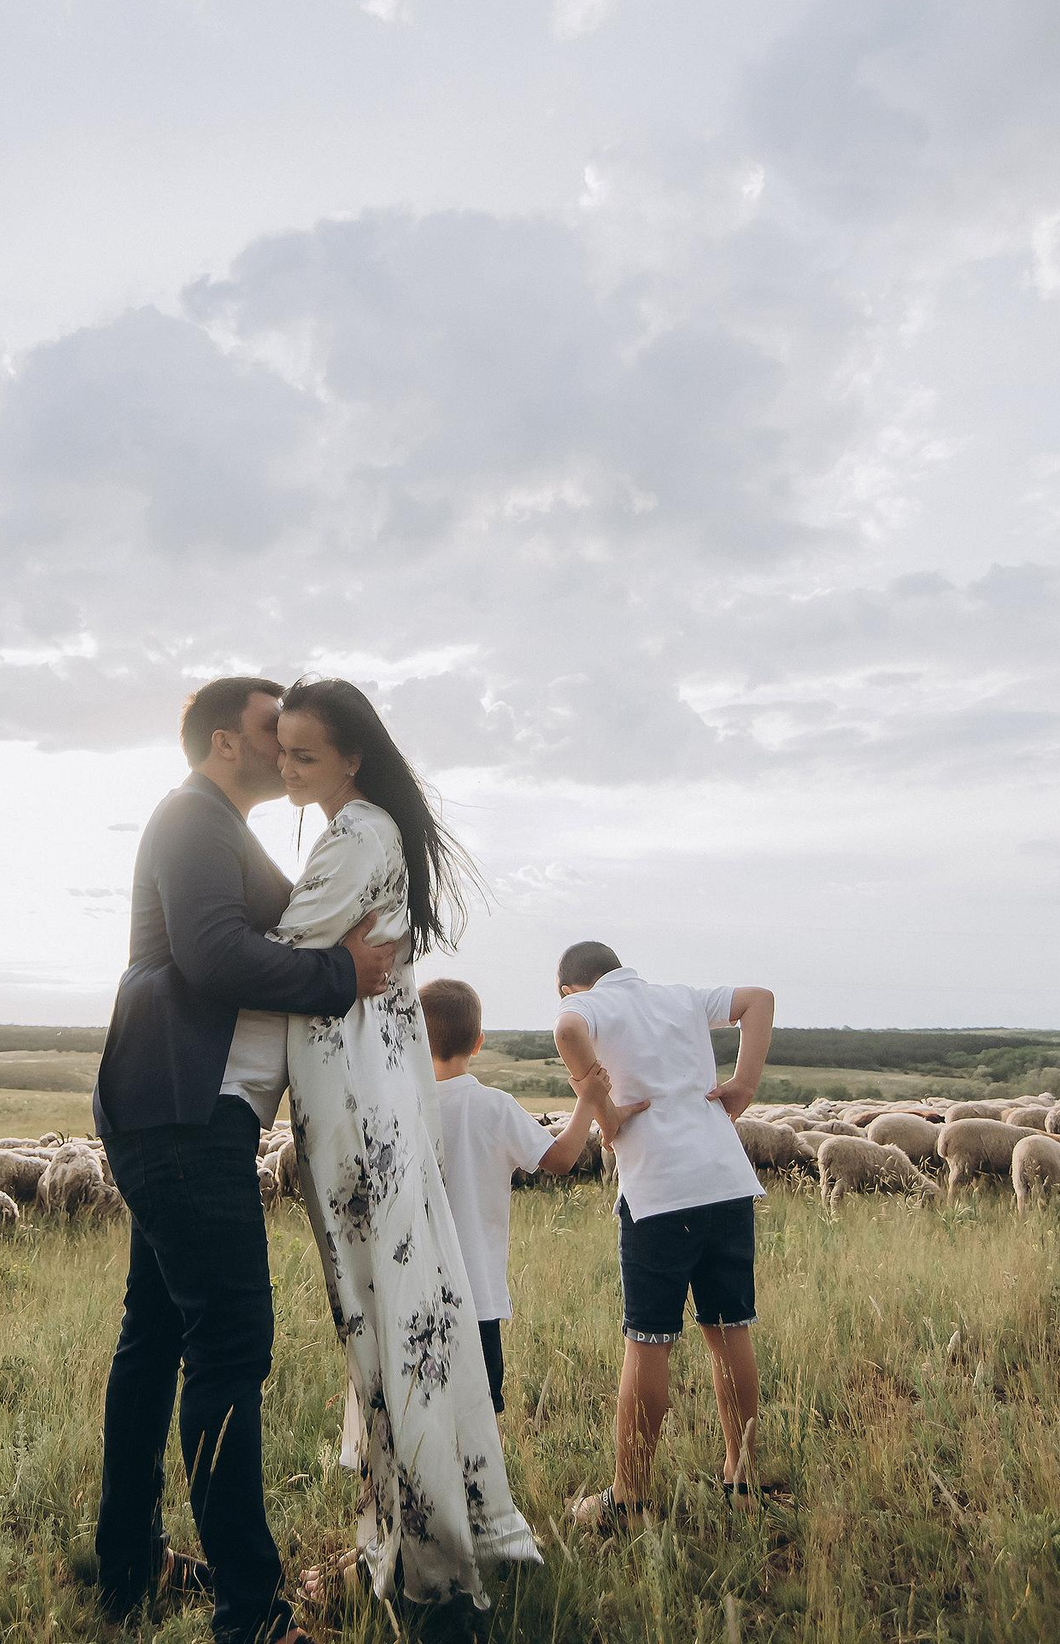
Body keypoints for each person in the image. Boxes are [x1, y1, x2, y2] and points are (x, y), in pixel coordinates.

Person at [90, 675, 397, 1644]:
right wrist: (339, 974)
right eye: (276, 728)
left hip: (174, 1109)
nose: (289, 739)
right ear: (227, 741)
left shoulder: (220, 826)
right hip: (184, 1112)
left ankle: (129, 1564)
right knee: (227, 1347)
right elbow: (213, 953)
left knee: (153, 1341)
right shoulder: (190, 819)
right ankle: (251, 1615)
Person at [263, 678, 542, 1607]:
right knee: (395, 1304)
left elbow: (276, 945)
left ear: (351, 755)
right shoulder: (372, 833)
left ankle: (421, 1554)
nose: (290, 768)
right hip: (370, 1091)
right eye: (284, 751)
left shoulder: (357, 835)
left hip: (358, 1100)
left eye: (307, 754)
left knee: (384, 1306)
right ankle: (406, 1529)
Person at [548, 940, 783, 1526]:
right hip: (725, 1181)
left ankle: (628, 1499)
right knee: (731, 1333)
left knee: (648, 1342)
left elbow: (567, 1032)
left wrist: (602, 1111)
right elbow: (760, 999)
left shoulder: (593, 1006)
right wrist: (744, 1084)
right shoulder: (678, 998)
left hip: (658, 1192)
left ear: (571, 986)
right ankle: (743, 1480)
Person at [417, 976, 642, 1414]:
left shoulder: (403, 1106)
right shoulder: (494, 1106)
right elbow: (560, 1159)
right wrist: (587, 1100)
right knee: (476, 1415)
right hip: (475, 1292)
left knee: (421, 1412)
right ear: (479, 1042)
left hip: (412, 1289)